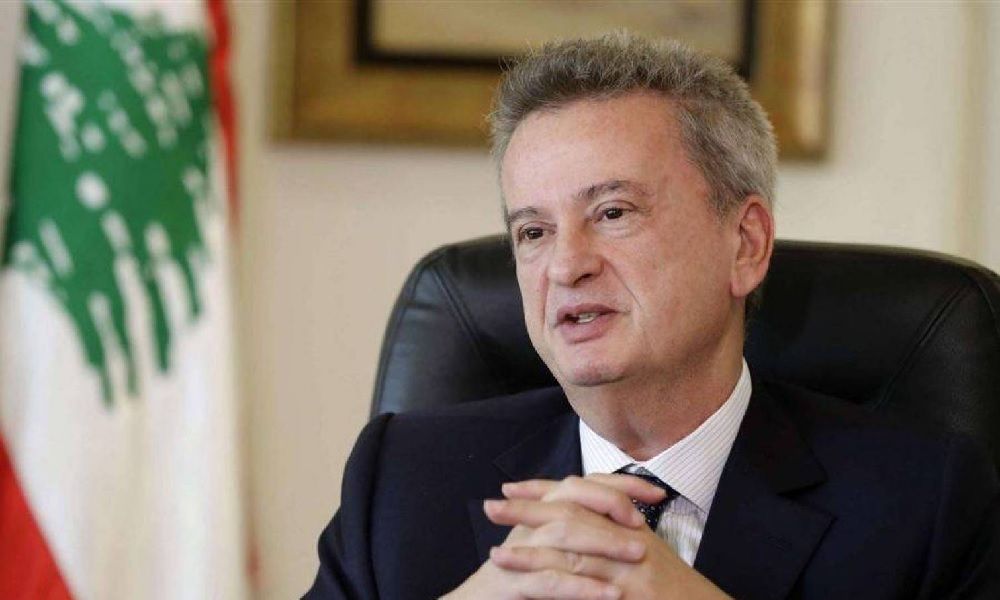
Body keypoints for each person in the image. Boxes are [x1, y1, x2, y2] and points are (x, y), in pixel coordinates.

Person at [304, 33, 999, 599]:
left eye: (612, 213)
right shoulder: (403, 482)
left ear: (745, 245)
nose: (565, 266)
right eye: (533, 231)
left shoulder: (923, 504)